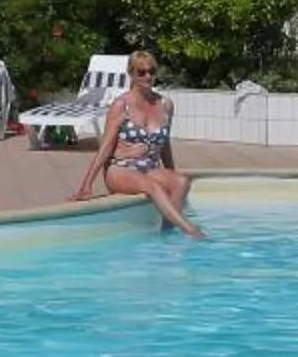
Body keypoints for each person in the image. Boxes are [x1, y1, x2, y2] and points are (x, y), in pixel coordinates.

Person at [72, 49, 204, 237]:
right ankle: (191, 230)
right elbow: (106, 146)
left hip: (149, 167)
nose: (148, 76)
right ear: (131, 74)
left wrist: (170, 172)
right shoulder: (121, 105)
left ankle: (166, 234)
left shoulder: (165, 105)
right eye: (141, 72)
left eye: (152, 71)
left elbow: (165, 145)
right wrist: (86, 185)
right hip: (120, 169)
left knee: (181, 182)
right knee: (153, 187)